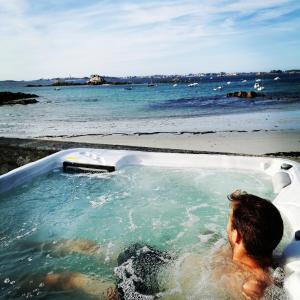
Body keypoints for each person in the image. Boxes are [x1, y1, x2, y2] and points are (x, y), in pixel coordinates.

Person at [18, 190, 284, 299]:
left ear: (237, 236)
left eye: (228, 222)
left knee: (81, 260)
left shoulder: (253, 285)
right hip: (150, 271)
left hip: (145, 272)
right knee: (68, 279)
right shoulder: (260, 261)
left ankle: (26, 258)